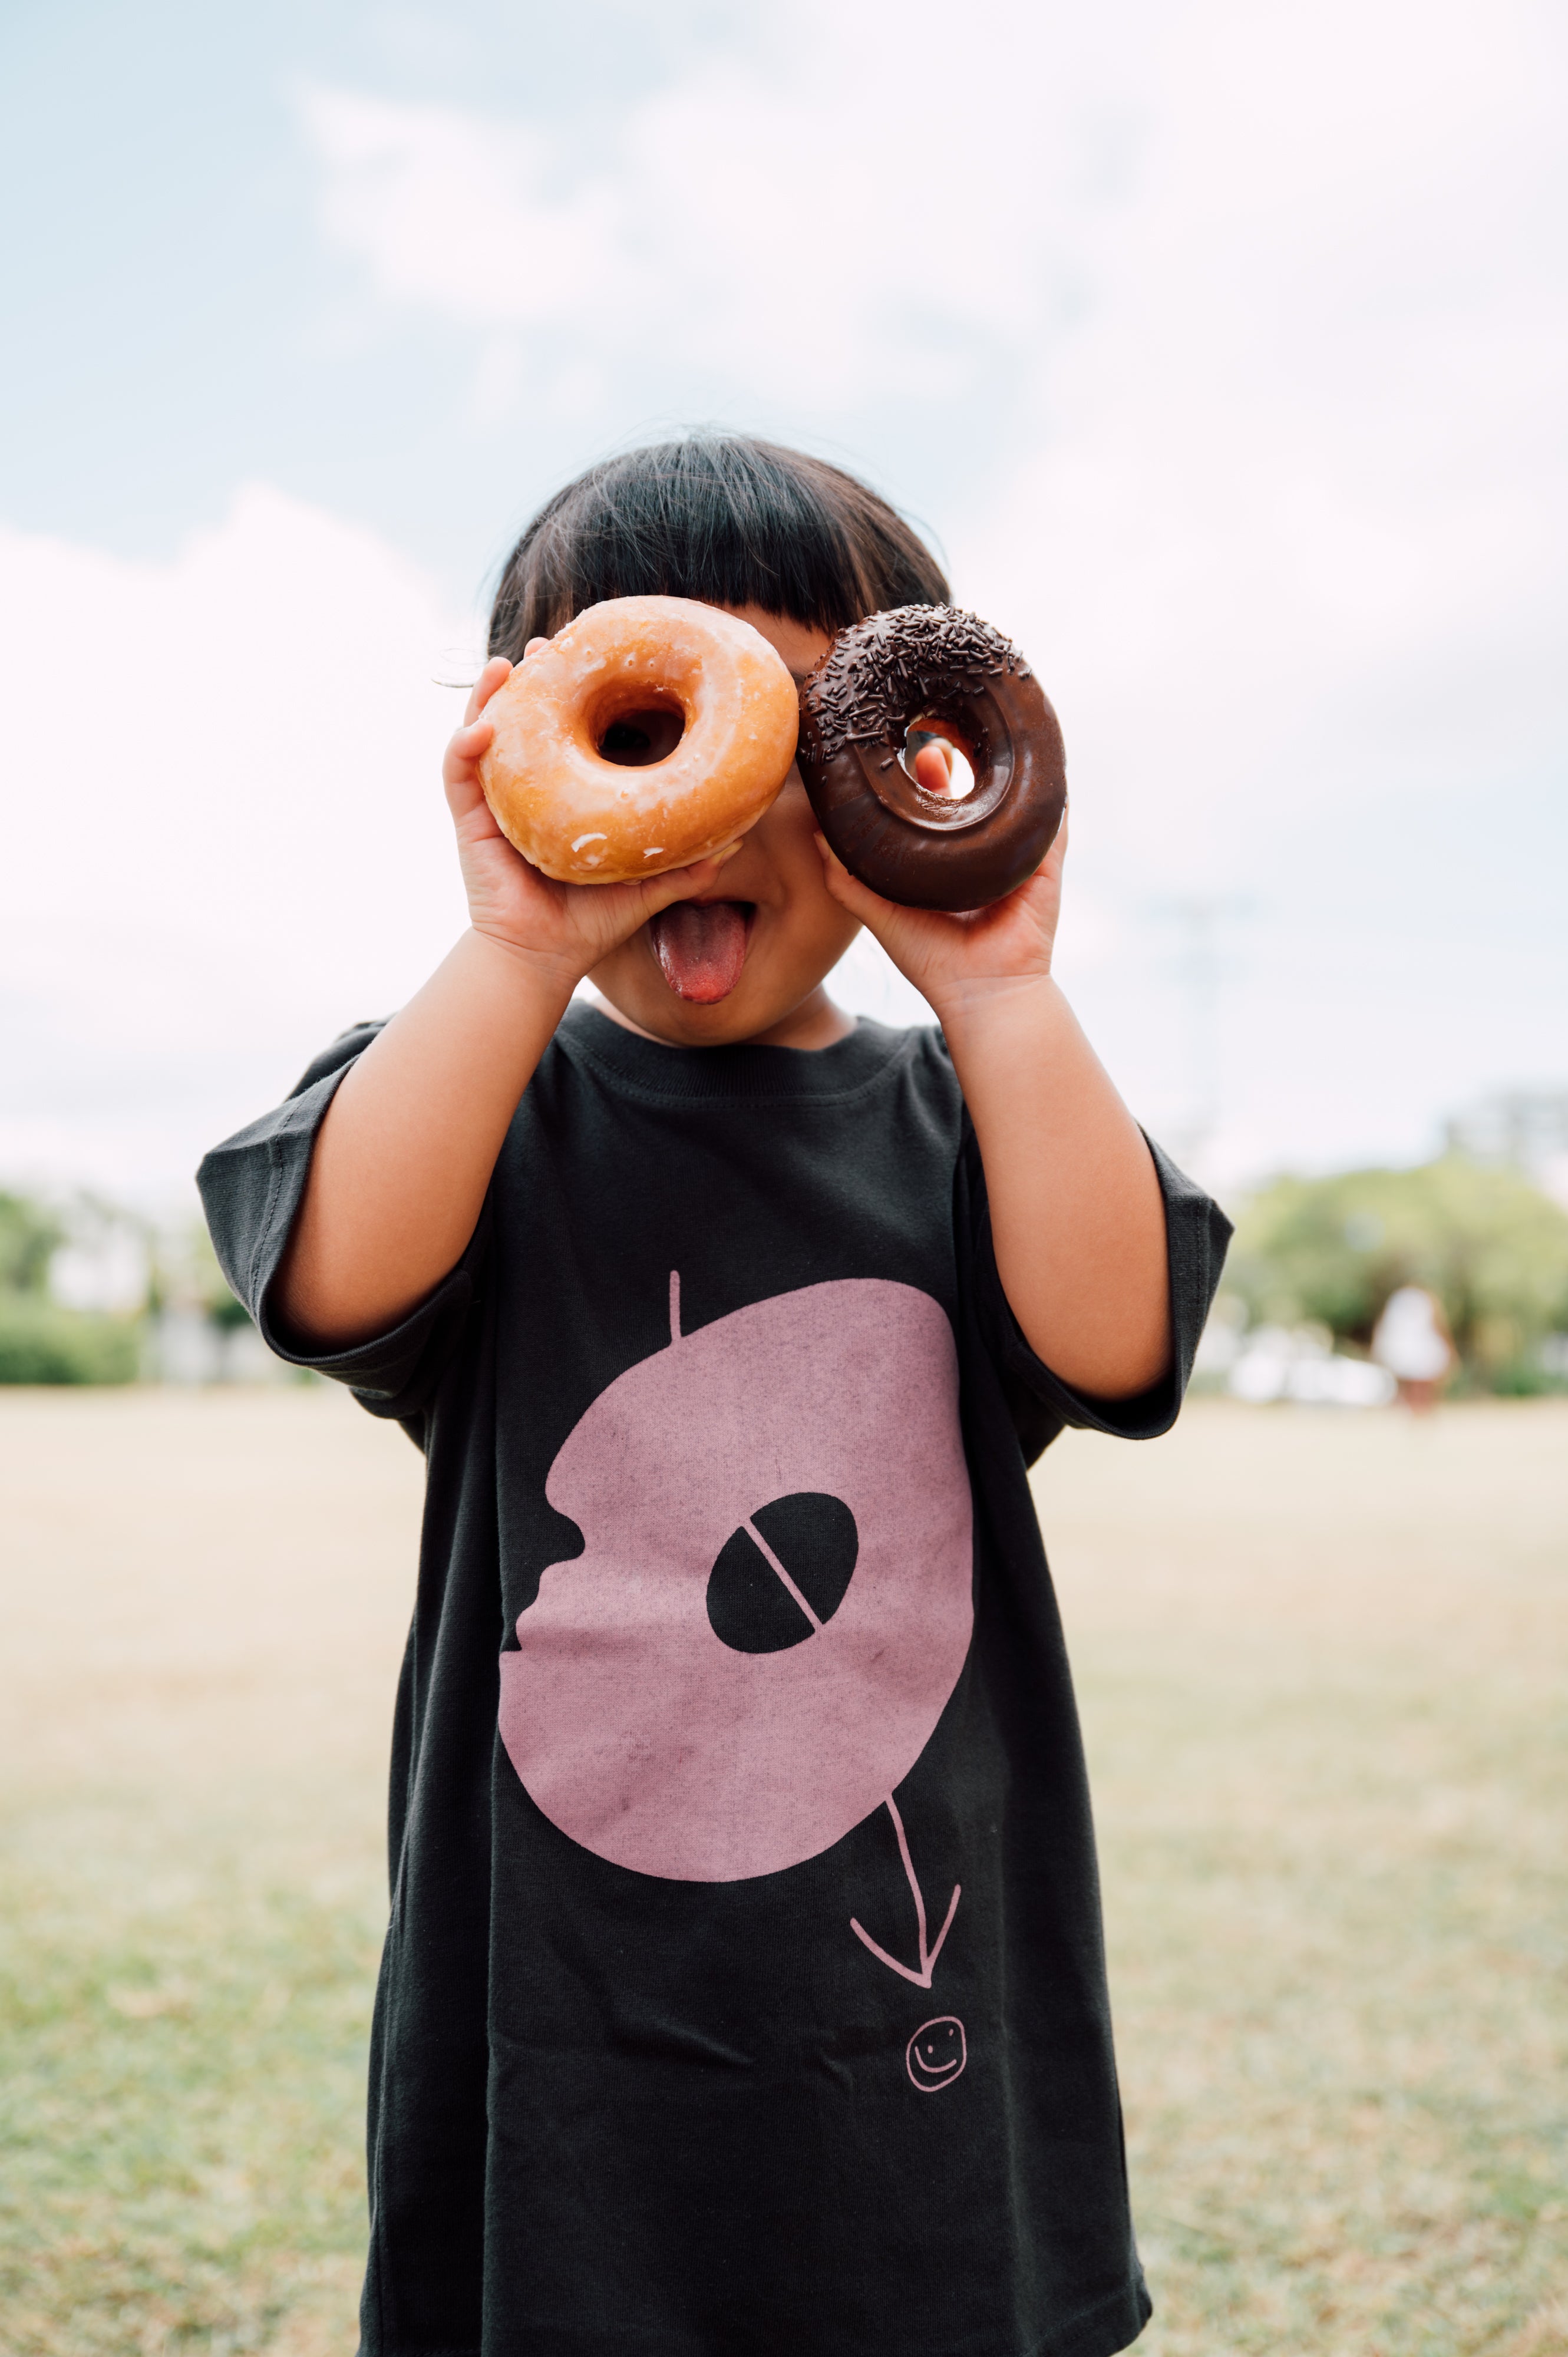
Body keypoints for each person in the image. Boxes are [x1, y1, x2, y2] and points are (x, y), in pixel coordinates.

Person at [199, 434, 1231, 2357]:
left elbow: (1114, 1341)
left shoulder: (966, 1116)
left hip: (912, 2018)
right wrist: (517, 938)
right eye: (659, 720)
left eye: (787, 745)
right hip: (555, 2033)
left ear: (898, 764)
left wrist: (1001, 988)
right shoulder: (493, 1096)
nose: (711, 817)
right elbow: (333, 1273)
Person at [1372, 1283, 1454, 1412]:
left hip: (1408, 1348)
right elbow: (1439, 1324)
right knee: (1421, 1384)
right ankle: (1420, 1412)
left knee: (1415, 1384)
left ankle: (1417, 1412)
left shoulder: (1399, 1300)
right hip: (1421, 1349)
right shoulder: (1426, 1300)